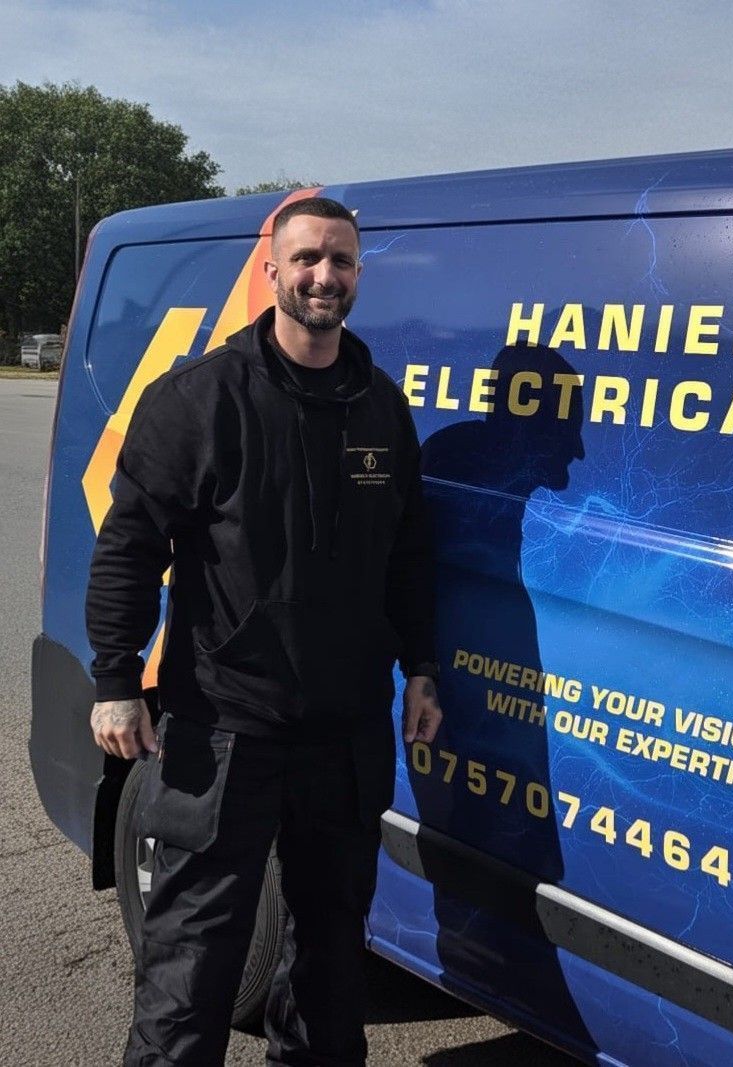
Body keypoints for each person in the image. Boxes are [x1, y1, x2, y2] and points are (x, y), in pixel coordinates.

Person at [85, 196, 442, 1066]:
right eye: (309, 258)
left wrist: (423, 668)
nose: (325, 275)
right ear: (273, 270)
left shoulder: (380, 410)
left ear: (360, 275)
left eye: (342, 261)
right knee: (190, 974)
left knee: (330, 970)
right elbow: (130, 545)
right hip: (225, 730)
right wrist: (115, 677)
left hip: (344, 733)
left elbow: (407, 556)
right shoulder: (201, 399)